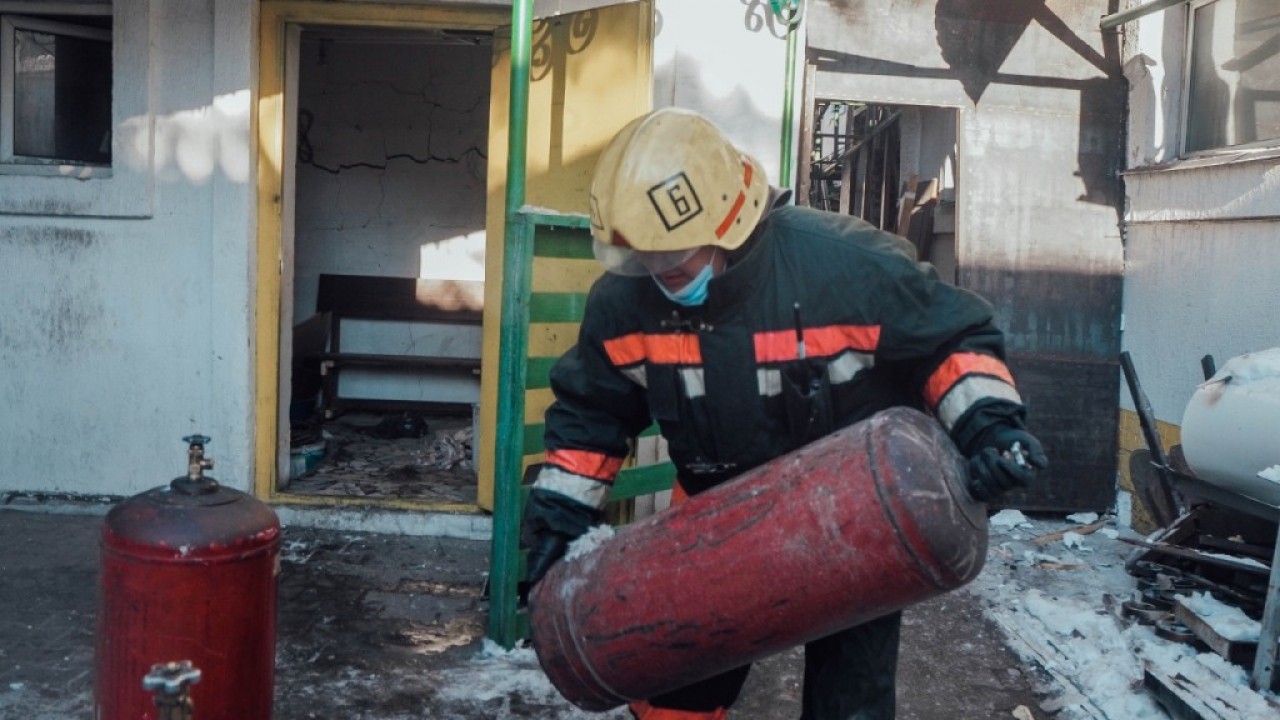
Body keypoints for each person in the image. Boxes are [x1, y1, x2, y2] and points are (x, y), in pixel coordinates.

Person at [520, 107, 1048, 720]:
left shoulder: (847, 270)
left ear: (728, 225)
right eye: (641, 261)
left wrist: (989, 428)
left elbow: (951, 340)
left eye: (673, 263)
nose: (658, 276)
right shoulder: (626, 304)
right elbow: (592, 414)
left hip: (856, 511)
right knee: (673, 694)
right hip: (711, 513)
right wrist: (560, 519)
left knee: (850, 703)